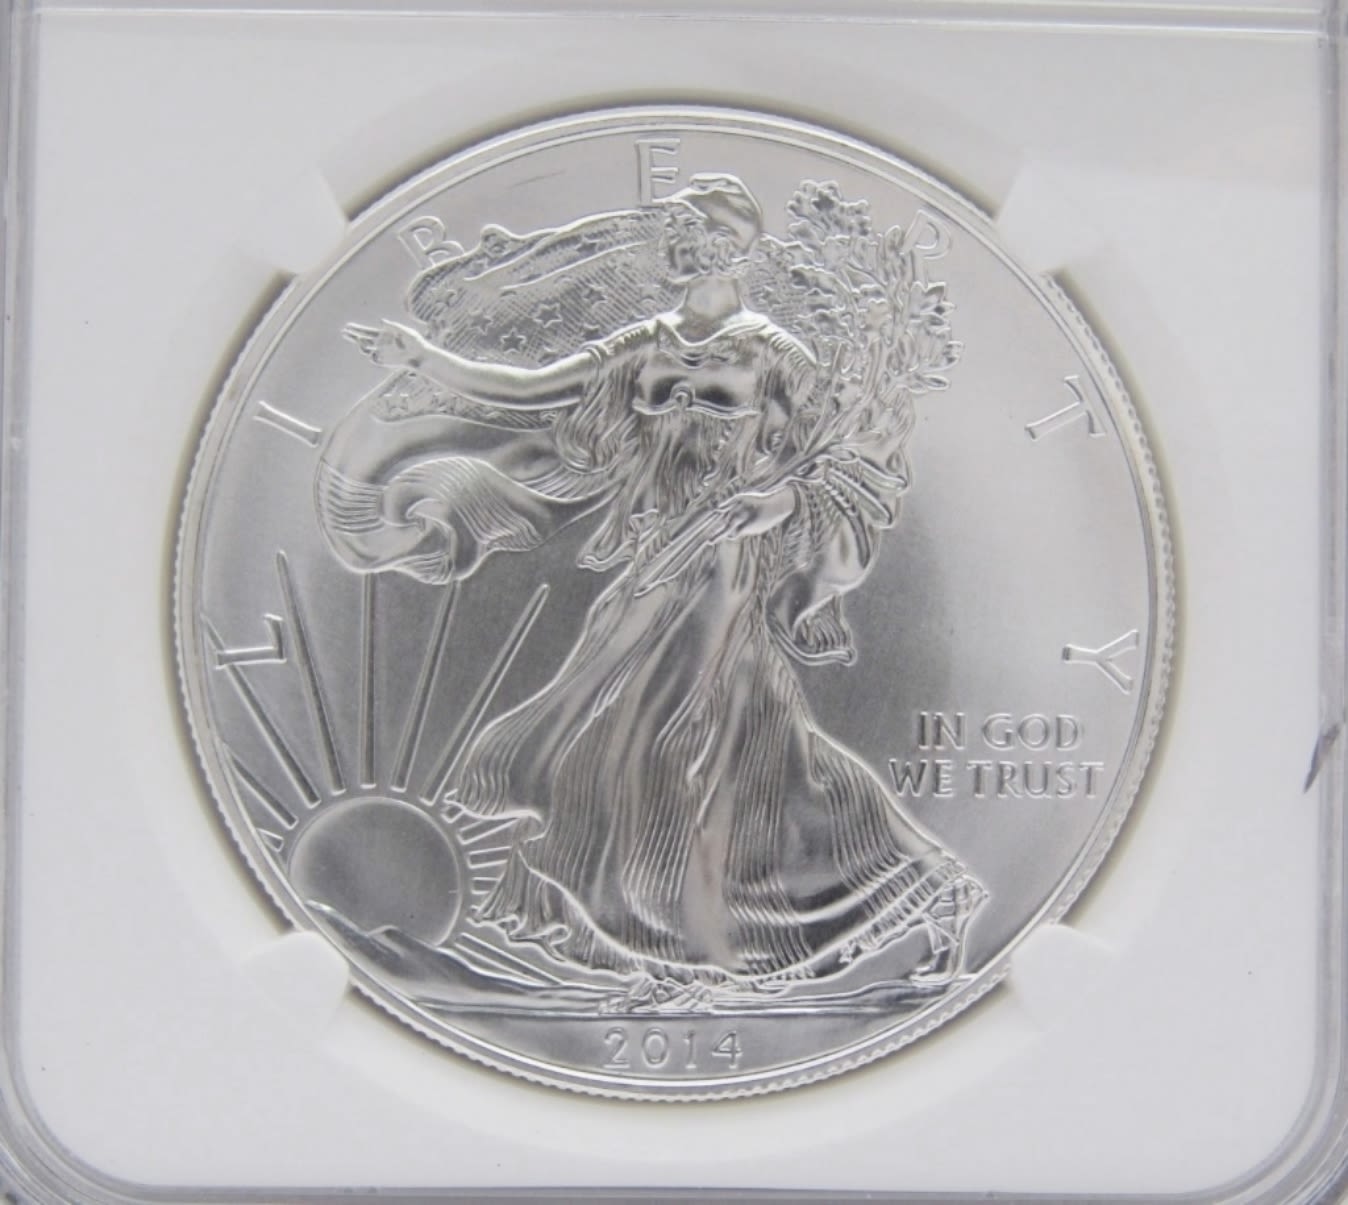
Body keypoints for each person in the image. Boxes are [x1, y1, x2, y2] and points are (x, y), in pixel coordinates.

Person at [331, 174, 985, 993]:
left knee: (662, 730)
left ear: (729, 248)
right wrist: (426, 360)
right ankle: (887, 897)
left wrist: (777, 501)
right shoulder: (643, 343)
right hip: (656, 556)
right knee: (737, 743)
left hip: (726, 563)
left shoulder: (775, 355)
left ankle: (693, 937)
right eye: (674, 231)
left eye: (688, 231)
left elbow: (849, 463)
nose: (672, 246)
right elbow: (533, 392)